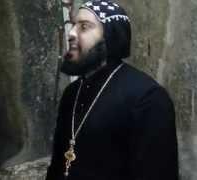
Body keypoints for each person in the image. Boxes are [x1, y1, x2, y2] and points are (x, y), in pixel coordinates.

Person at [46, 0, 178, 179]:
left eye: (84, 27)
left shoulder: (148, 98)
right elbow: (57, 166)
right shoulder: (71, 93)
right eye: (73, 25)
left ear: (110, 36)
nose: (71, 33)